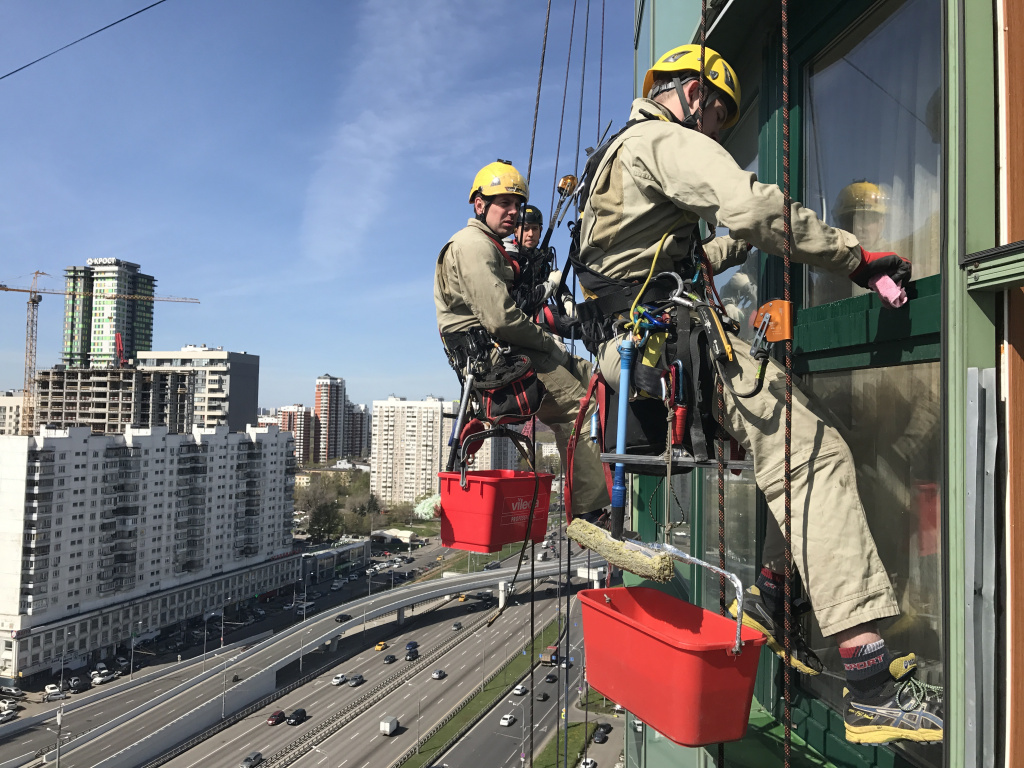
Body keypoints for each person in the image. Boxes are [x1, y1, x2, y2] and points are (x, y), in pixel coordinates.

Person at [575, 45, 941, 745]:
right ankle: (867, 681)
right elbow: (747, 205)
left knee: (785, 453)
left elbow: (668, 255)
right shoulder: (665, 137)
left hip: (634, 353)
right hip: (675, 343)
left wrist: (734, 248)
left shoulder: (618, 155)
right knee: (813, 455)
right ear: (687, 93)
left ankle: (776, 589)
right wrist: (851, 256)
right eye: (715, 111)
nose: (715, 129)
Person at [434, 160, 609, 521]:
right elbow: (500, 318)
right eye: (504, 203)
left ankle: (604, 482)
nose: (514, 212)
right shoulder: (473, 246)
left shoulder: (488, 246)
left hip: (506, 350)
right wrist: (548, 343)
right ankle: (591, 512)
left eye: (518, 204)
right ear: (479, 204)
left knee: (595, 376)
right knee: (581, 403)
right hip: (500, 358)